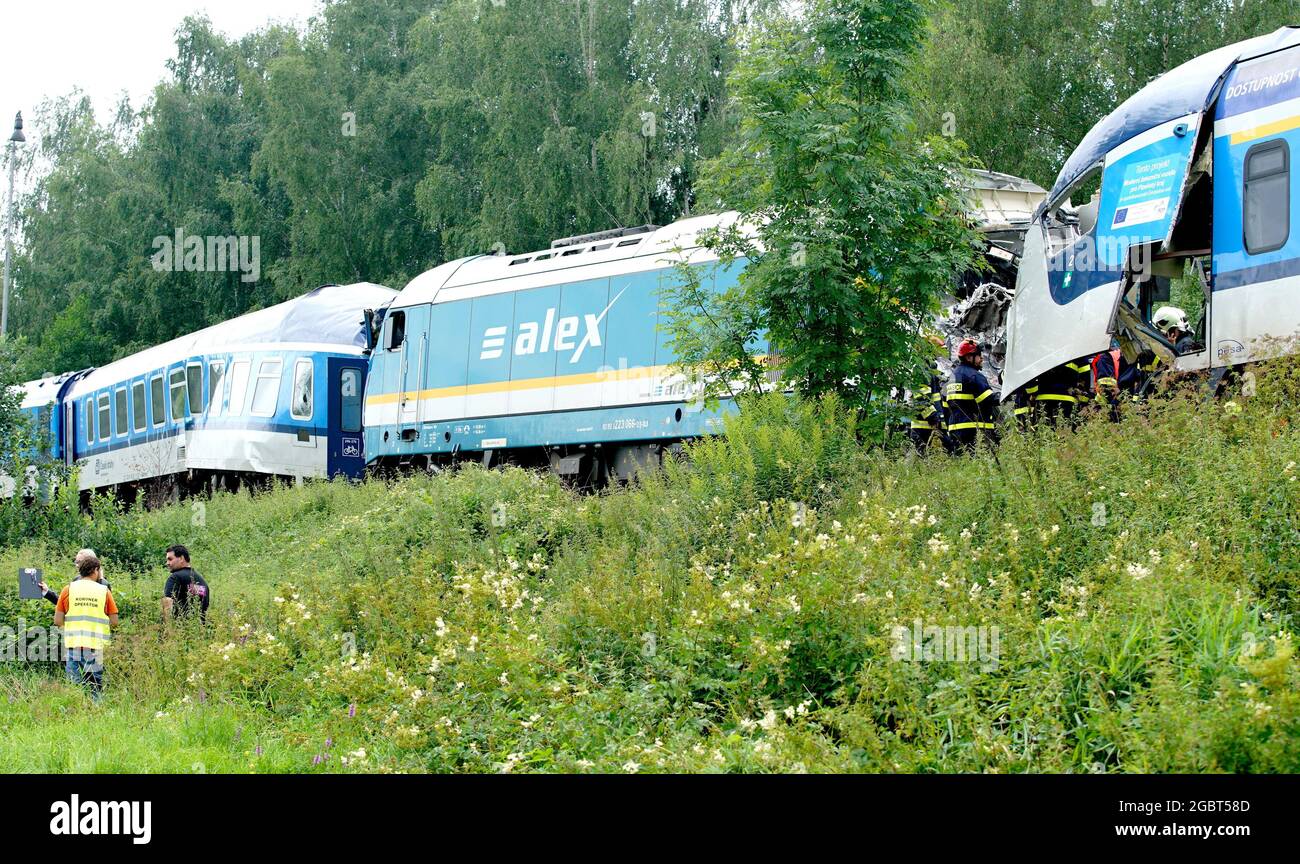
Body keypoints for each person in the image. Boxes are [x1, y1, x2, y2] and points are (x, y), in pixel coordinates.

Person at [53, 552, 118, 699]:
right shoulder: (104, 591)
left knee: (74, 688)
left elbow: (57, 621)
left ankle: (75, 714)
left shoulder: (67, 589)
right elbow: (114, 622)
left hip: (74, 645)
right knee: (95, 687)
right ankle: (96, 713)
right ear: (96, 570)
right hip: (96, 646)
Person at [945, 339, 999, 451]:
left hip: (955, 431)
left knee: (963, 465)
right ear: (969, 357)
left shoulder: (951, 378)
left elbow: (945, 407)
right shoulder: (974, 376)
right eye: (979, 356)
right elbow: (988, 399)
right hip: (975, 431)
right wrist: (1006, 395)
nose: (982, 359)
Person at [39, 549, 110, 606]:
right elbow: (64, 604)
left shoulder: (103, 584)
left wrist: (100, 580)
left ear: (91, 562)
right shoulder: (76, 580)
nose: (76, 565)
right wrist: (47, 592)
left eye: (79, 562)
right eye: (76, 561)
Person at [162, 545, 210, 623]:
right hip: (200, 629)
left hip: (180, 629)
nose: (167, 563)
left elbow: (167, 602)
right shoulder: (201, 581)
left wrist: (168, 628)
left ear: (181, 558)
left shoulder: (175, 577)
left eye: (170, 559)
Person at [907, 364, 948, 454]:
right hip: (924, 426)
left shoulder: (931, 369)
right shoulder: (921, 369)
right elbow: (921, 400)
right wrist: (935, 419)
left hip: (931, 425)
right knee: (919, 460)